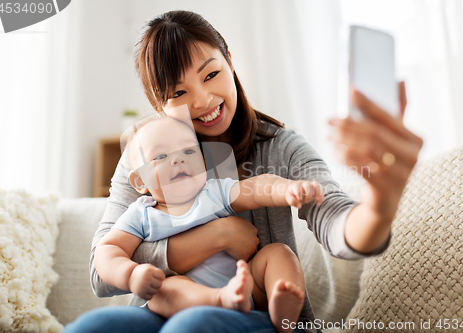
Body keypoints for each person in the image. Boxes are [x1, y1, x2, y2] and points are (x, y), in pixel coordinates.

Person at [63, 9, 423, 333]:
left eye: (212, 74)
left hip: (256, 309)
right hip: (161, 307)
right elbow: (101, 272)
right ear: (158, 104)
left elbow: (336, 224)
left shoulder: (282, 148)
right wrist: (217, 236)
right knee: (96, 325)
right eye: (178, 92)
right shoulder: (145, 157)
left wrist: (379, 204)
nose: (203, 100)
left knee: (195, 324)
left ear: (230, 61)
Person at [94, 113, 324, 332]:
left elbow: (255, 188)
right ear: (139, 180)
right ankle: (220, 299)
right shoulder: (141, 214)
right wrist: (131, 274)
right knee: (167, 288)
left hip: (245, 286)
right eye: (161, 156)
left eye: (188, 150)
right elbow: (109, 250)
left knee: (277, 253)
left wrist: (289, 188)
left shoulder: (214, 192)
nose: (178, 159)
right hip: (181, 301)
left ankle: (282, 303)